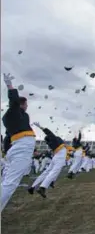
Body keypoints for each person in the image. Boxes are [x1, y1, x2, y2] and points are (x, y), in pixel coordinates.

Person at [1, 73, 36, 211]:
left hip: (16, 148)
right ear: (23, 104)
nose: (27, 106)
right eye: (26, 104)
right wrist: (10, 86)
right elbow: (14, 101)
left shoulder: (11, 118)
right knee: (10, 184)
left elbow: (6, 138)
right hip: (21, 148)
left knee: (6, 181)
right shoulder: (15, 112)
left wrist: (6, 151)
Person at [28, 122, 67, 198]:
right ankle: (43, 187)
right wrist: (41, 127)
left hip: (56, 156)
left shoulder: (51, 142)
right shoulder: (55, 139)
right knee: (54, 172)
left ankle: (32, 187)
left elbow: (49, 134)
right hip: (60, 156)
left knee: (46, 172)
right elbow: (48, 132)